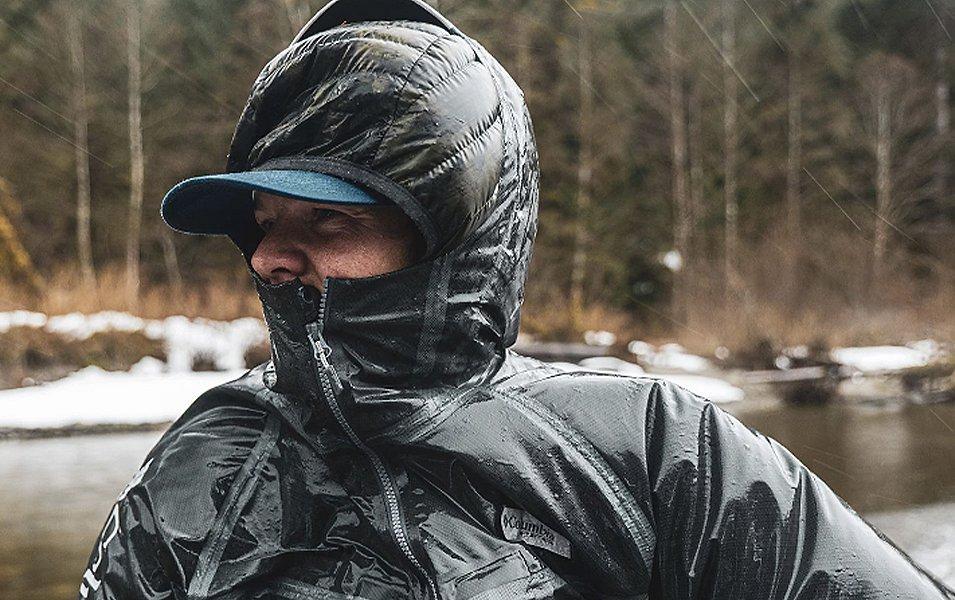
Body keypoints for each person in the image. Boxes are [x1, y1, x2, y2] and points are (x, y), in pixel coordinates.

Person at [78, 1, 954, 599]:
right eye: (265, 222)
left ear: (451, 238)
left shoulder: (653, 450)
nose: (270, 255)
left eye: (326, 219)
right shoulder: (206, 456)